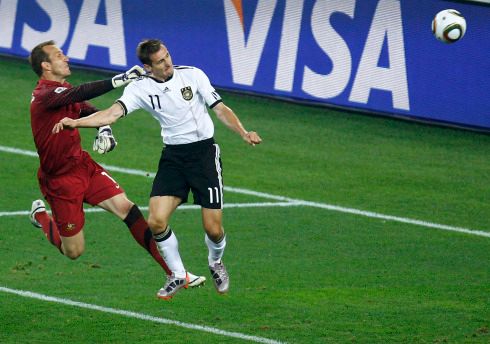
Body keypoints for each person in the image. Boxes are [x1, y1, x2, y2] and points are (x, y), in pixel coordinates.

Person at [53, 38, 262, 300]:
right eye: (161, 61)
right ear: (148, 67)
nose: (168, 63)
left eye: (167, 56)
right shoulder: (140, 88)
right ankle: (177, 273)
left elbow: (220, 109)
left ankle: (215, 261)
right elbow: (112, 114)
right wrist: (77, 122)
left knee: (213, 229)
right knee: (156, 221)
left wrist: (243, 132)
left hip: (204, 155)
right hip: (173, 157)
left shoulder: (193, 75)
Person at [28, 40, 205, 292]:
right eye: (59, 55)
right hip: (60, 182)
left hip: (83, 166)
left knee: (127, 208)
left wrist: (105, 128)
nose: (66, 58)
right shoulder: (44, 95)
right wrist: (120, 79)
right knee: (74, 251)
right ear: (46, 65)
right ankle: (41, 217)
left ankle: (175, 273)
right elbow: (80, 94)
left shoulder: (62, 90)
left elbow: (88, 109)